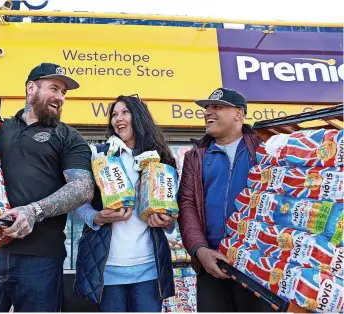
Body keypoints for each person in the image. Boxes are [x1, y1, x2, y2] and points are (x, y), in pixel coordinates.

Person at [0, 63, 95, 312]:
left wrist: (33, 211)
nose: (60, 98)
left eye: (64, 93)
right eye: (54, 88)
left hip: (40, 258)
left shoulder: (69, 137)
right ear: (31, 88)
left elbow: (83, 187)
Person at [73, 95, 176, 312]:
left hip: (149, 267)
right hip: (107, 268)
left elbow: (173, 215)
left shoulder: (160, 159)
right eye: (114, 114)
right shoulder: (97, 155)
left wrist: (167, 222)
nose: (118, 118)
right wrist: (95, 217)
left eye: (125, 112)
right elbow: (77, 202)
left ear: (139, 117)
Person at [177, 88, 272, 312]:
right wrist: (199, 250)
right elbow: (187, 204)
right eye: (206, 108)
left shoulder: (264, 149)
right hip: (213, 263)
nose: (208, 112)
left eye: (216, 107)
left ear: (239, 114)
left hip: (258, 266)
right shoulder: (196, 156)